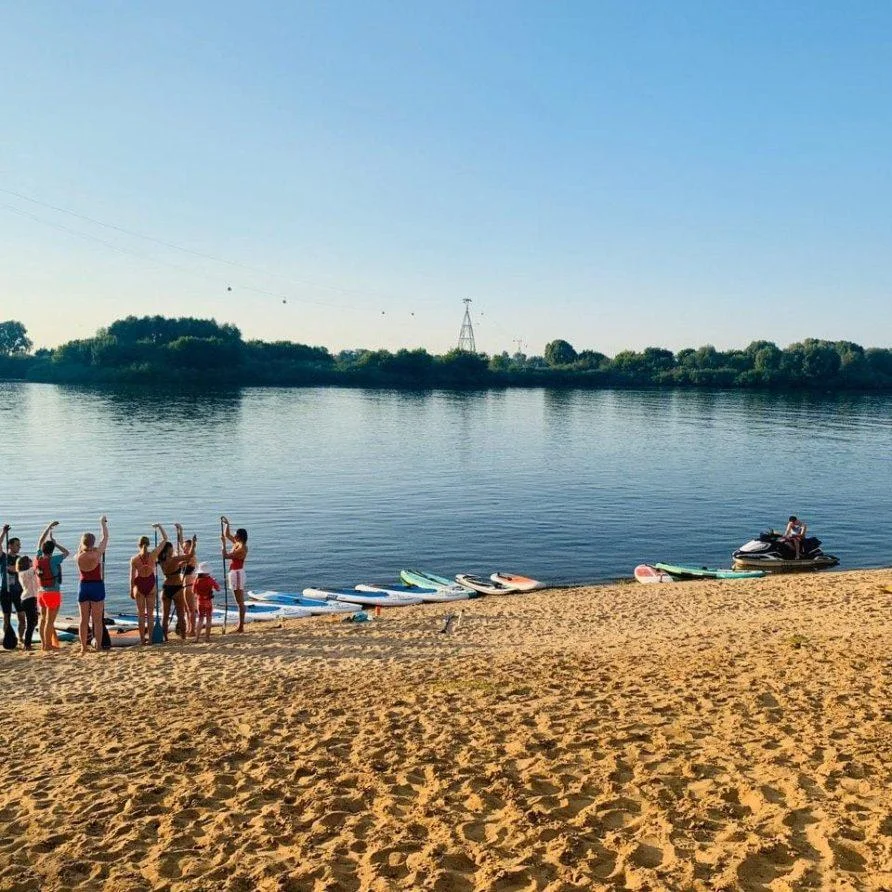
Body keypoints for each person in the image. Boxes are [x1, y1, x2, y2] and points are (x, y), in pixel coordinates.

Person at [76, 516, 109, 655]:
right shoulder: (97, 554)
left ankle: (83, 647)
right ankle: (99, 646)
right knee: (97, 620)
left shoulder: (79, 556)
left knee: (83, 620)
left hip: (83, 586)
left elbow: (81, 548)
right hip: (96, 586)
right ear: (93, 542)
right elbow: (105, 537)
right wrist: (102, 523)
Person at [130, 525, 168, 645]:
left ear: (138, 545)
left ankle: (142, 640)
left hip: (139, 586)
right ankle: (150, 640)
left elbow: (132, 577)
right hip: (151, 585)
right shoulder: (153, 555)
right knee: (150, 615)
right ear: (148, 544)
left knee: (141, 615)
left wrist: (131, 590)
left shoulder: (134, 559)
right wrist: (159, 527)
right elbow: (165, 539)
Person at [35, 521, 69, 652]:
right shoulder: (54, 560)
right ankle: (48, 646)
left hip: (41, 593)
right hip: (53, 593)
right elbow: (66, 552)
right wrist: (56, 543)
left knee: (43, 619)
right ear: (52, 550)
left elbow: (40, 540)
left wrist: (48, 527)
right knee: (50, 621)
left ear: (42, 549)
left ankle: (44, 644)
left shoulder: (38, 558)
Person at [157, 524, 191, 640]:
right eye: (171, 548)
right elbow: (190, 556)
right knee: (181, 615)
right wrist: (194, 544)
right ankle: (183, 636)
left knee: (165, 616)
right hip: (177, 587)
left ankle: (165, 637)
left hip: (166, 587)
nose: (173, 550)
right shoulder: (174, 559)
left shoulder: (160, 560)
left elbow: (174, 567)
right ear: (169, 550)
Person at [221, 517, 248, 633]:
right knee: (238, 601)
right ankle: (240, 624)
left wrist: (223, 544)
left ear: (240, 536)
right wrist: (227, 524)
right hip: (235, 573)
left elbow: (225, 556)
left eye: (236, 534)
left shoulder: (241, 548)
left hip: (237, 573)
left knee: (239, 601)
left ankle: (241, 626)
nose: (234, 535)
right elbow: (227, 535)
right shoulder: (237, 543)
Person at [2, 532, 26, 646]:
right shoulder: (3, 557)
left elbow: (22, 569)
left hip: (18, 592)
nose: (19, 547)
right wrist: (3, 532)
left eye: (19, 545)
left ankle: (20, 638)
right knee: (7, 618)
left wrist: (13, 568)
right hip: (5, 592)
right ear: (10, 546)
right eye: (17, 545)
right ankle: (8, 639)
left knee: (22, 617)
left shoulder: (19, 559)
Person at [177, 525, 199, 638]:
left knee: (190, 609)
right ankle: (189, 628)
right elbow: (180, 542)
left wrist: (193, 544)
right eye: (184, 547)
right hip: (184, 585)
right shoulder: (185, 556)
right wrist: (180, 530)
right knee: (186, 609)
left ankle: (192, 630)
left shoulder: (190, 557)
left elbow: (192, 552)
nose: (184, 548)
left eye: (187, 547)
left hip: (189, 585)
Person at [16, 556, 39, 651]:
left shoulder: (24, 573)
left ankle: (27, 643)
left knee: (33, 621)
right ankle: (27, 644)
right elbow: (36, 566)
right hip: (29, 599)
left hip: (29, 599)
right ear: (26, 563)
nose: (31, 562)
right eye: (30, 561)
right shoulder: (26, 572)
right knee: (31, 623)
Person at [193, 562, 220, 642]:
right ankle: (207, 637)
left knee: (200, 619)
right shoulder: (210, 580)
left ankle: (197, 638)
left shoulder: (196, 580)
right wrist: (213, 583)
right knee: (208, 619)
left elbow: (193, 591)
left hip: (199, 601)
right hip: (208, 601)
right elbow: (218, 589)